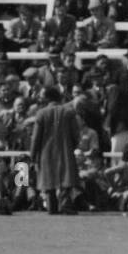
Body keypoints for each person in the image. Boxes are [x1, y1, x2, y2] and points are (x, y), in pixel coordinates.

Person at [29, 86, 80, 215]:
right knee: (65, 179)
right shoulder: (69, 112)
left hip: (46, 152)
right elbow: (76, 134)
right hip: (65, 150)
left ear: (47, 98)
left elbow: (35, 138)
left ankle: (51, 207)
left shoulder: (41, 113)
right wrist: (72, 146)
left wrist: (33, 155)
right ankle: (65, 205)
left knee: (48, 181)